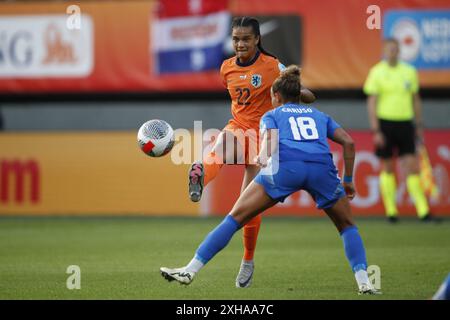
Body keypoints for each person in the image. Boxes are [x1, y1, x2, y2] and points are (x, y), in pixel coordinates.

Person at [161, 65, 380, 295]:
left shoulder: (271, 115)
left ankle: (190, 270)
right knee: (347, 227)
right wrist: (347, 180)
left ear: (275, 97)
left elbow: (271, 142)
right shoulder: (319, 116)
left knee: (234, 218)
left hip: (286, 169)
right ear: (299, 96)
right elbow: (349, 142)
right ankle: (364, 282)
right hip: (321, 170)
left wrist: (262, 157)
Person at [188, 17, 316, 288]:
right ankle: (200, 175)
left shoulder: (272, 66)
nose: (240, 44)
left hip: (264, 136)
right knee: (219, 149)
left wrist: (302, 93)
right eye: (235, 39)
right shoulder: (226, 69)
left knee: (246, 205)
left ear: (257, 39)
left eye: (246, 38)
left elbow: (296, 90)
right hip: (239, 128)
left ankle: (247, 259)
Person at [364, 38, 438, 223]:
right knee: (387, 167)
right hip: (385, 124)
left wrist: (419, 124)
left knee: (413, 166)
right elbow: (372, 102)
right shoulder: (377, 72)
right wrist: (376, 130)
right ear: (384, 51)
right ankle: (391, 211)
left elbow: (416, 99)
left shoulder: (409, 71)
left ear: (399, 51)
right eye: (390, 50)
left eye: (395, 49)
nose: (393, 53)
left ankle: (423, 211)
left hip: (406, 123)